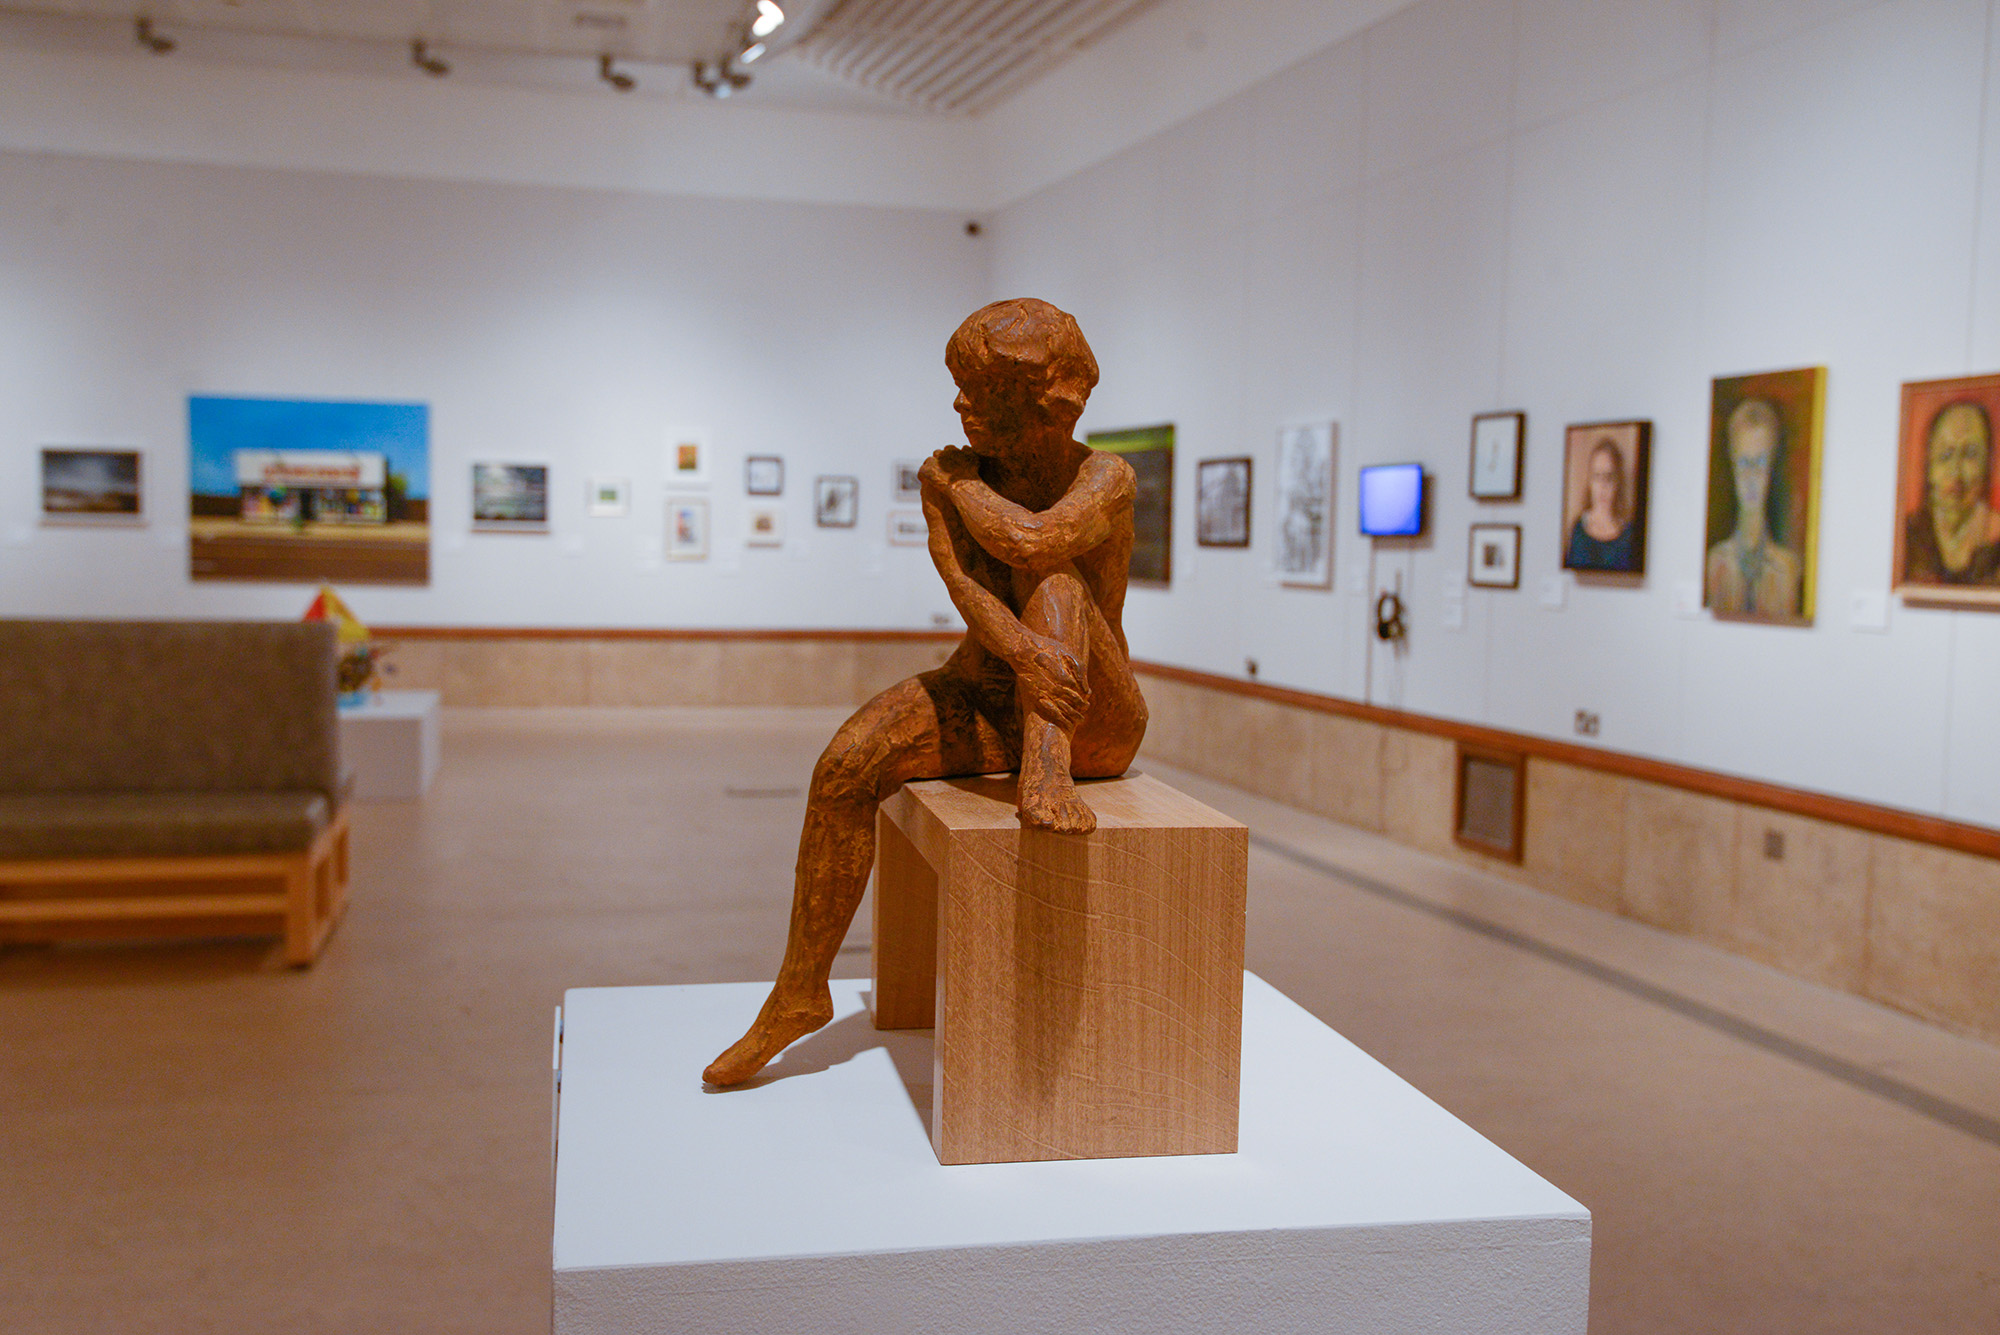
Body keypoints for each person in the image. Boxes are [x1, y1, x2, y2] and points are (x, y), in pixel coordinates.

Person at [702, 298, 1148, 1088]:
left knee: (1057, 583)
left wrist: (952, 484)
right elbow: (965, 590)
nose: (960, 407)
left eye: (982, 393)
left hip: (1094, 717)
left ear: (1049, 404)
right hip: (1004, 680)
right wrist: (1018, 652)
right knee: (846, 761)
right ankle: (798, 992)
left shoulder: (1102, 476)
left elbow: (1035, 542)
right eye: (960, 387)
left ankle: (1046, 773)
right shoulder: (956, 476)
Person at [1705, 397, 1803, 618]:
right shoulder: (1715, 561)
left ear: (1770, 468)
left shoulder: (1786, 567)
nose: (1750, 478)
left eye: (1759, 463)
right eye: (1743, 463)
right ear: (1732, 464)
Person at [1903, 400, 2000, 585]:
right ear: (1929, 466)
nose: (1955, 472)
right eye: (1945, 455)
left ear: (1987, 464)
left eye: (1970, 454)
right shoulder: (1910, 535)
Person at [1564, 436, 1639, 571]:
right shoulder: (1578, 529)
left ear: (1618, 482)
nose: (1602, 486)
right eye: (1597, 476)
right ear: (1589, 481)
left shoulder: (1629, 534)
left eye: (1609, 477)